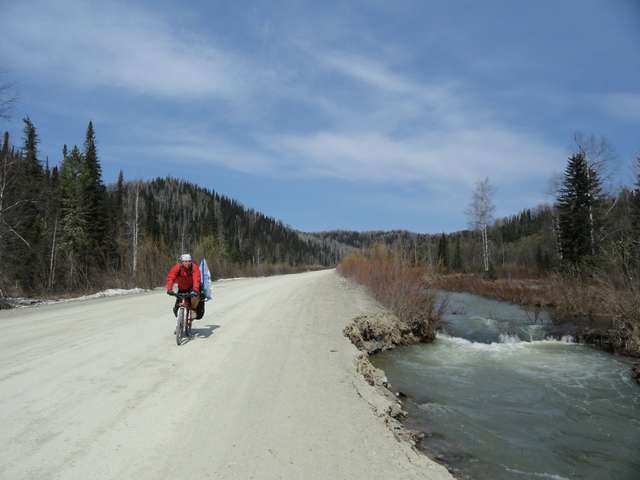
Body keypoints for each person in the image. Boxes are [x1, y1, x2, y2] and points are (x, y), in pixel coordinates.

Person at [166, 253, 202, 319]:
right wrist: (169, 289)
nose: (187, 263)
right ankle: (180, 319)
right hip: (182, 288)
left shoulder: (194, 268)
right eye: (185, 261)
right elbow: (171, 277)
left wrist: (195, 290)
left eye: (189, 261)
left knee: (195, 297)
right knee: (176, 308)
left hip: (192, 287)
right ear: (182, 262)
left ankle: (193, 310)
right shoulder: (177, 267)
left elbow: (196, 279)